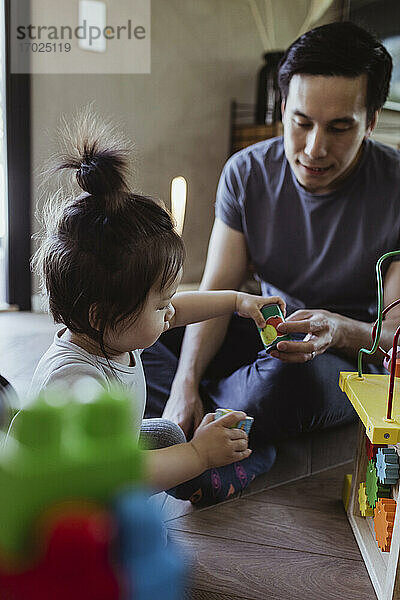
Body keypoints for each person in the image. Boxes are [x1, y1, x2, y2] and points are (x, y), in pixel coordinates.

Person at [142, 22, 400, 458]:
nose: (315, 148)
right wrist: (185, 382)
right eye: (301, 123)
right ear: (283, 109)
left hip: (342, 359)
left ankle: (198, 429)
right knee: (134, 330)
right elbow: (217, 293)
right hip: (266, 332)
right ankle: (212, 419)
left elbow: (393, 337)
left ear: (371, 121)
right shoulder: (247, 173)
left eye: (339, 128)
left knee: (285, 384)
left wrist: (336, 331)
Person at [28, 114, 284, 503]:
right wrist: (198, 454)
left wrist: (236, 301)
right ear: (102, 315)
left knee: (166, 434)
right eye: (160, 304)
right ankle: (203, 471)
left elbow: (179, 310)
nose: (170, 313)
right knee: (173, 458)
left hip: (107, 456)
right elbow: (117, 472)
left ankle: (199, 466)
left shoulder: (108, 331)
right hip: (65, 503)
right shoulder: (76, 386)